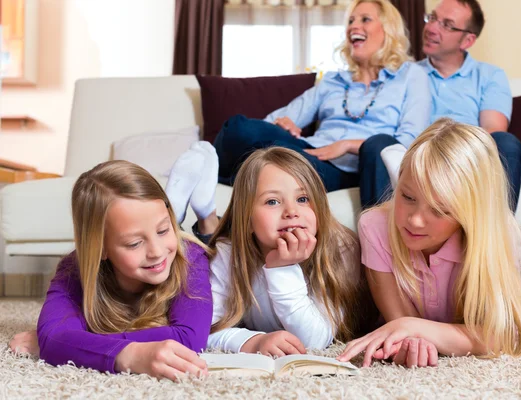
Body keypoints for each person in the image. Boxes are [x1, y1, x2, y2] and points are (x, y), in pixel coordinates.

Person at [337, 119, 521, 368]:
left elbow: (504, 335)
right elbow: (399, 324)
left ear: (469, 212)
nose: (416, 220)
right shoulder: (374, 227)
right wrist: (412, 334)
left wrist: (413, 327)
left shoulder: (498, 233)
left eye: (440, 210)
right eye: (408, 196)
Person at [213, 0, 431, 210]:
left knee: (379, 144)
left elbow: (410, 142)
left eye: (365, 19)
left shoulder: (411, 75)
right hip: (316, 159)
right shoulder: (332, 81)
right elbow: (272, 121)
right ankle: (213, 173)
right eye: (351, 21)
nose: (354, 26)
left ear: (388, 30)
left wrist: (347, 145)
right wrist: (283, 123)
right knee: (239, 128)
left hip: (364, 168)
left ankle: (379, 240)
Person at [9, 160, 213, 381]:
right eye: (134, 243)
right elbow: (55, 338)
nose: (156, 251)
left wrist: (75, 342)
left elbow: (190, 338)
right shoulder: (73, 269)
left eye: (163, 230)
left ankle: (206, 218)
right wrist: (129, 355)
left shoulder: (190, 257)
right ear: (101, 248)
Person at [166, 143, 375, 355]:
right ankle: (175, 221)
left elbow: (313, 341)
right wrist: (253, 342)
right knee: (190, 259)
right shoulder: (228, 254)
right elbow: (204, 329)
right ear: (247, 220)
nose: (292, 211)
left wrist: (282, 268)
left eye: (303, 199)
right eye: (273, 201)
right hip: (233, 242)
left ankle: (202, 218)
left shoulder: (339, 249)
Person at [382, 0, 521, 212]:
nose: (430, 28)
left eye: (446, 25)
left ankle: (496, 234)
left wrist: (455, 158)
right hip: (415, 160)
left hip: (466, 161)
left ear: (467, 40)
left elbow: (493, 131)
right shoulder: (404, 74)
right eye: (432, 18)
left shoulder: (489, 76)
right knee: (381, 143)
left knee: (506, 143)